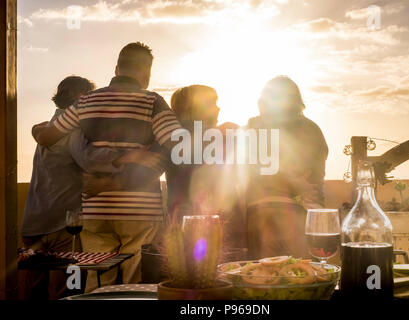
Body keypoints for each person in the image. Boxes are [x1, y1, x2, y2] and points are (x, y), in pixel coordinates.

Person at [32, 42, 183, 291]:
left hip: (94, 207)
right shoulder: (152, 101)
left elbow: (47, 138)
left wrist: (37, 129)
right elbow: (177, 144)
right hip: (138, 209)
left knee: (97, 278)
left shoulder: (86, 101)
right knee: (133, 279)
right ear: (146, 73)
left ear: (116, 68)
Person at [86, 85, 247, 250]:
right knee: (227, 268)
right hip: (215, 216)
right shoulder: (222, 135)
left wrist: (105, 185)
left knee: (191, 271)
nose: (218, 108)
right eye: (212, 103)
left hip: (185, 217)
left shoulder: (169, 138)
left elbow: (148, 171)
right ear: (197, 107)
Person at [20, 76, 121, 300]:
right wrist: (127, 157)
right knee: (66, 290)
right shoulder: (73, 131)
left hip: (33, 223)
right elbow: (91, 160)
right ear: (80, 98)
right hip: (61, 226)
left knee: (33, 290)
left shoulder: (48, 128)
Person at [245, 76, 328, 260]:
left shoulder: (256, 127)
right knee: (298, 276)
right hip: (297, 212)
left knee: (266, 276)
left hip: (285, 213)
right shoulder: (311, 129)